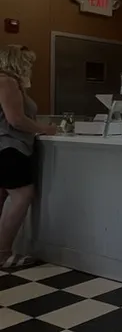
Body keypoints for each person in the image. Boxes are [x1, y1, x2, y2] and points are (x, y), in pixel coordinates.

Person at [0, 45, 56, 269]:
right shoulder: (7, 82)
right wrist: (45, 129)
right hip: (10, 147)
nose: (30, 67)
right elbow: (16, 119)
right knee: (22, 196)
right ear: (17, 61)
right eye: (28, 62)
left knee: (2, 196)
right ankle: (3, 254)